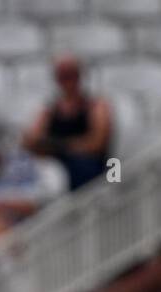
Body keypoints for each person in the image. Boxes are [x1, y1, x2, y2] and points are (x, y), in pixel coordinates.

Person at [23, 53, 112, 191]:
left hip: (86, 167)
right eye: (62, 76)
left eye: (70, 75)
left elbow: (96, 144)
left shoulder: (96, 106)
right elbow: (32, 140)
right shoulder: (50, 109)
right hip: (56, 167)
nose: (67, 82)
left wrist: (61, 146)